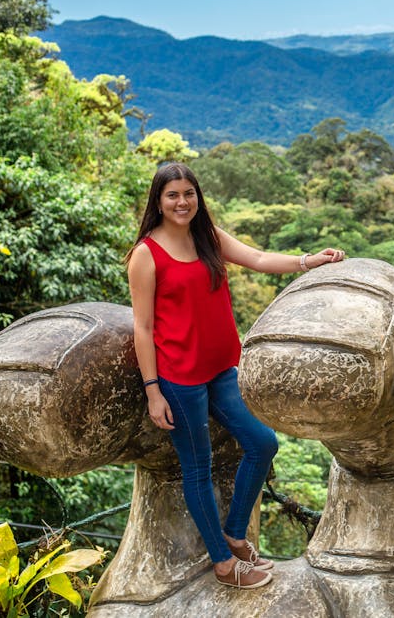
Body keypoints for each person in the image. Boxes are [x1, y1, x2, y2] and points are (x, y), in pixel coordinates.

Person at [125, 162, 345, 589]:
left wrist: (309, 261)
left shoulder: (207, 236)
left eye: (189, 193)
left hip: (222, 368)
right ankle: (225, 564)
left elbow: (259, 258)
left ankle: (233, 534)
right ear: (158, 201)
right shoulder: (146, 256)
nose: (182, 202)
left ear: (197, 197)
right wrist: (153, 390)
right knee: (198, 469)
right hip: (179, 378)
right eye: (172, 195)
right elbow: (143, 327)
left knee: (262, 443)